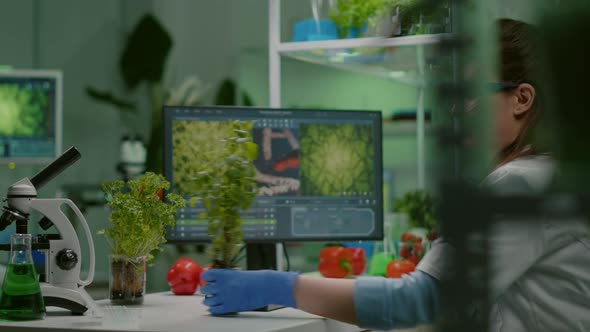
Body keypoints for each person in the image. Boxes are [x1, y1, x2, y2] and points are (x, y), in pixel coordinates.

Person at [201, 19, 590, 331]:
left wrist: (279, 286)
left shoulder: (520, 184)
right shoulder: (548, 175)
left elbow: (417, 302)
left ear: (522, 98)